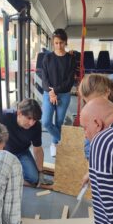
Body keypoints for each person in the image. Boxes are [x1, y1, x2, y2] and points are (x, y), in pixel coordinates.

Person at [0, 98, 51, 187]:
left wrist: (40, 172)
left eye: (34, 120)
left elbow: (37, 149)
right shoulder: (5, 117)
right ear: (19, 113)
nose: (31, 123)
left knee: (34, 179)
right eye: (29, 118)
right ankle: (12, 178)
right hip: (4, 153)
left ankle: (12, 178)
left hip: (22, 152)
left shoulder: (36, 126)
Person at [42, 28, 75, 157]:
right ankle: (64, 141)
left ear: (65, 42)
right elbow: (44, 77)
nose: (58, 45)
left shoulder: (70, 59)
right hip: (48, 93)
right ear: (53, 43)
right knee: (46, 122)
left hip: (64, 94)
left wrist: (54, 91)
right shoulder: (47, 58)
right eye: (56, 43)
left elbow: (69, 81)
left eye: (61, 43)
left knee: (59, 122)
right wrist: (51, 92)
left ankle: (54, 143)